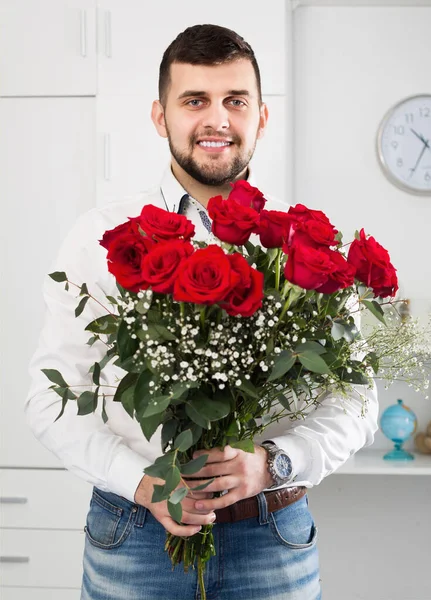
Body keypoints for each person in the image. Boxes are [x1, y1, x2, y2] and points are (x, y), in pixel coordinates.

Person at [25, 24, 379, 600]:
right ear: (161, 117)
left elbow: (358, 401)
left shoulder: (308, 242)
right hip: (134, 539)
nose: (217, 120)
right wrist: (143, 483)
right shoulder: (99, 240)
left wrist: (273, 465)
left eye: (235, 101)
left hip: (271, 534)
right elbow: (49, 399)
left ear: (261, 116)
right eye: (195, 101)